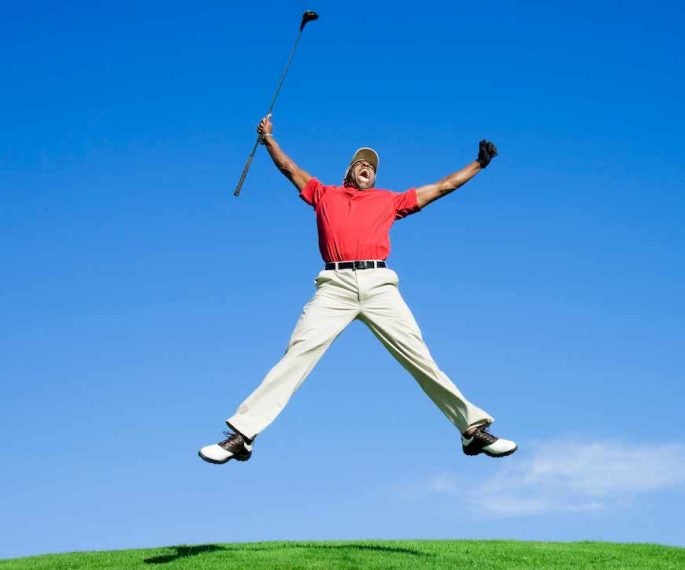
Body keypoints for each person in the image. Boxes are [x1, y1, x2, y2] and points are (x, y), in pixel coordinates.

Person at [199, 114, 517, 465]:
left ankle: (472, 430)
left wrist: (478, 165)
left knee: (419, 356)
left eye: (372, 167)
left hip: (379, 285)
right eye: (361, 163)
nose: (367, 167)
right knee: (298, 353)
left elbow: (442, 187)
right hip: (334, 287)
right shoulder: (324, 194)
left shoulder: (388, 200)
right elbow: (289, 168)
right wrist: (269, 139)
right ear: (348, 171)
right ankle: (243, 434)